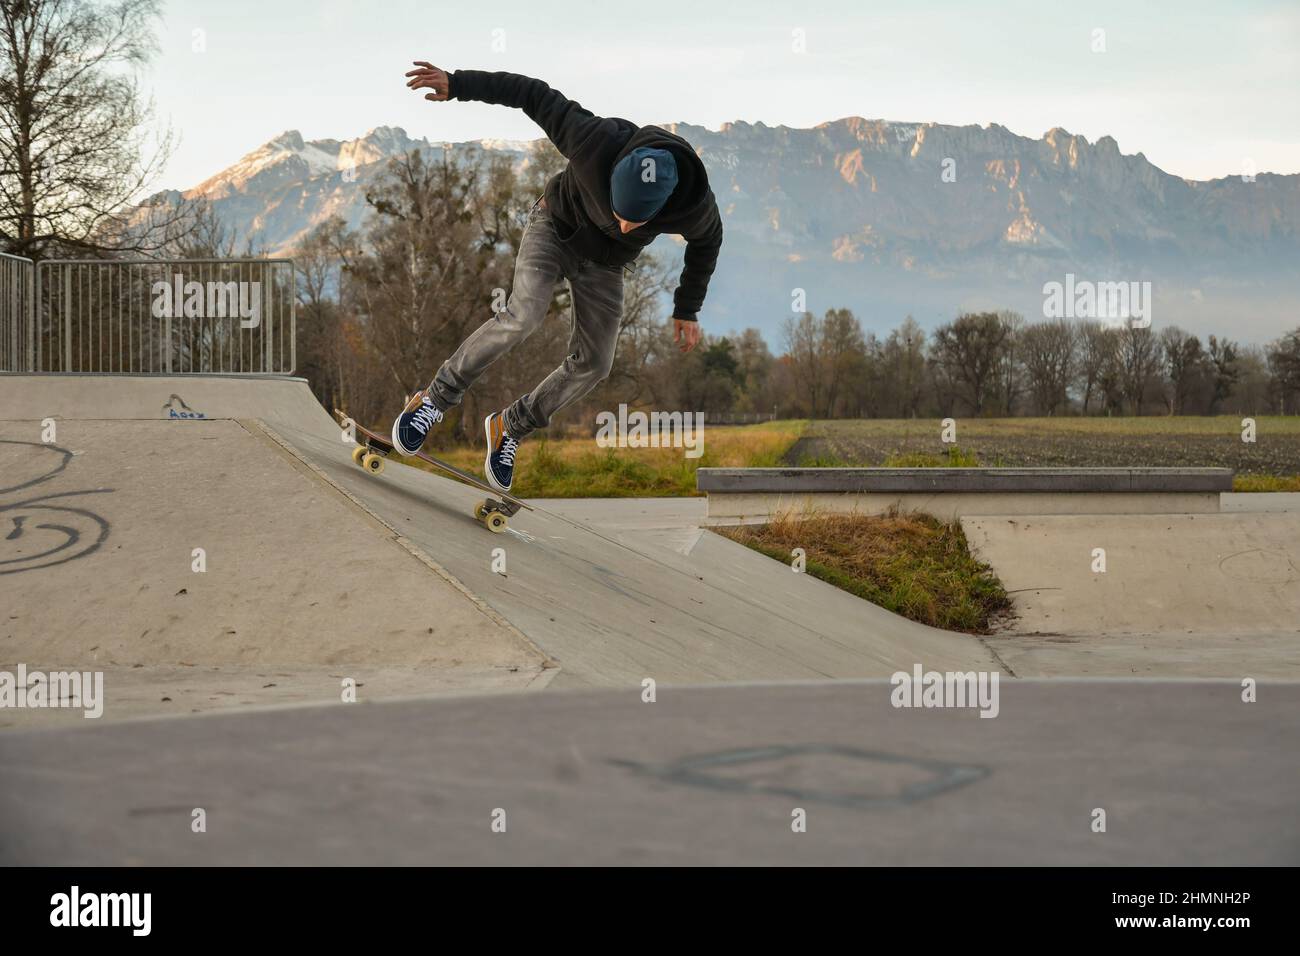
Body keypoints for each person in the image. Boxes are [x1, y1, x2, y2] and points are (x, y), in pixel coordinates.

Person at [391, 63, 723, 493]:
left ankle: (510, 428)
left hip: (604, 265)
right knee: (523, 315)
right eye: (619, 214)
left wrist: (687, 308)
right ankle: (434, 400)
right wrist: (457, 84)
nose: (625, 226)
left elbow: (707, 244)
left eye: (635, 222)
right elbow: (531, 93)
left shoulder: (694, 204)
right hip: (554, 227)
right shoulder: (593, 139)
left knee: (597, 362)